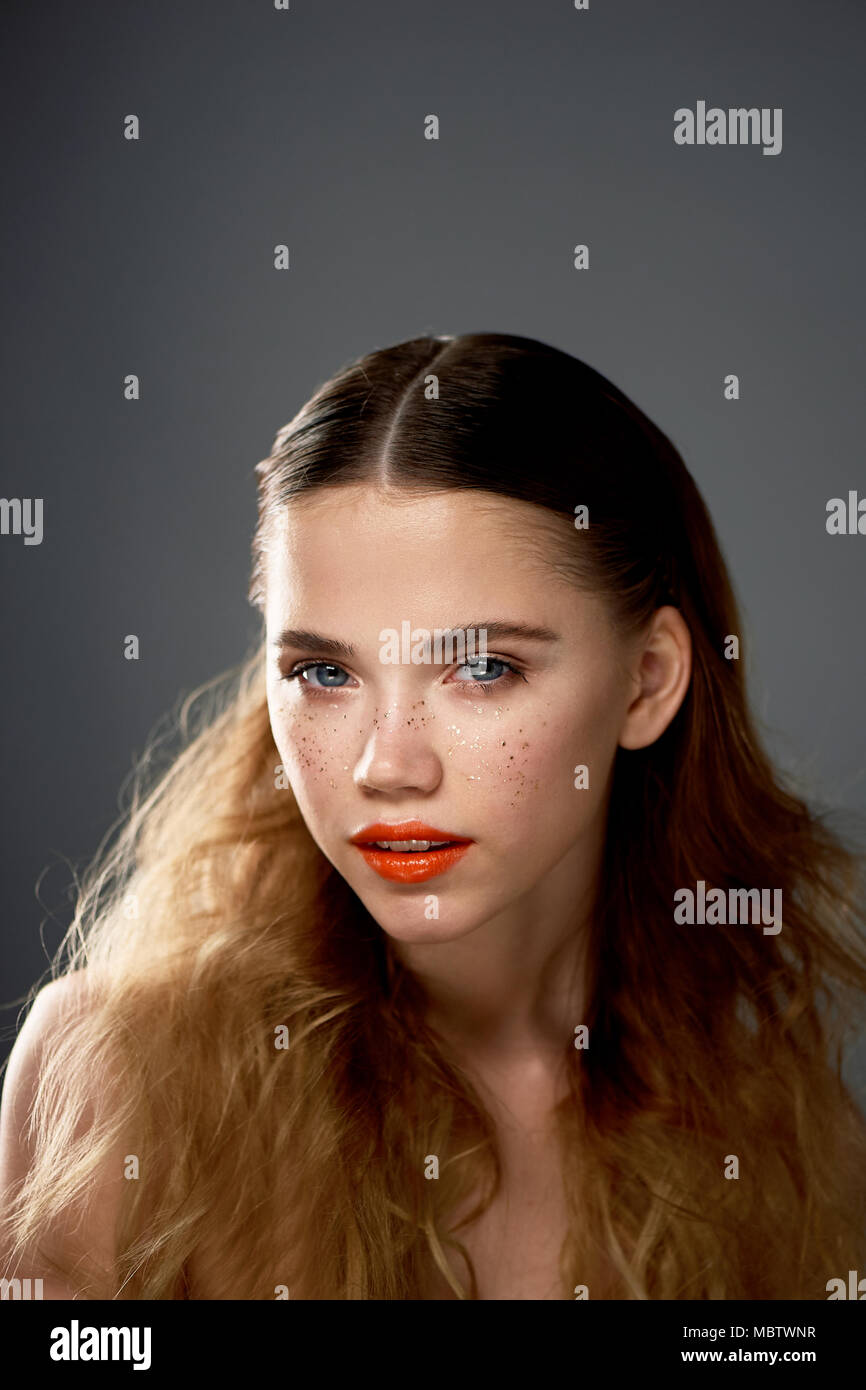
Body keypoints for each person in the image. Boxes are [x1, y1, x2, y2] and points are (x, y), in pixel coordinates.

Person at [2, 332, 866, 1300]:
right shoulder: (125, 1074)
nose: (386, 766)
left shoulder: (783, 1130)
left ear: (646, 680)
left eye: (482, 669)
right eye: (323, 673)